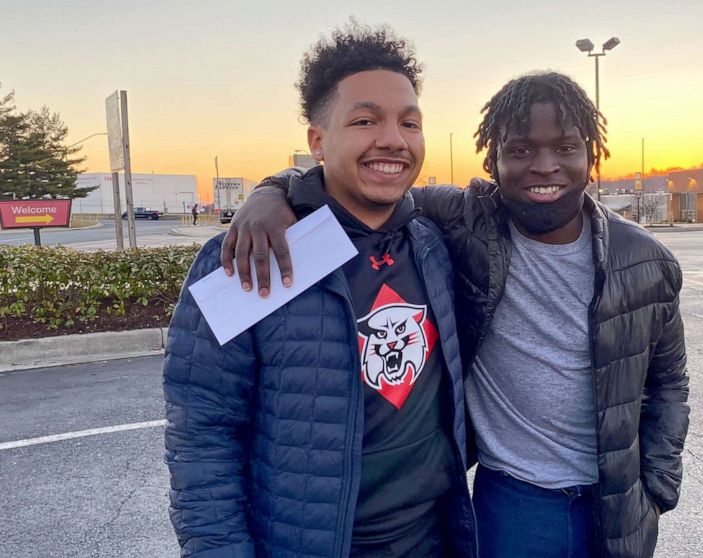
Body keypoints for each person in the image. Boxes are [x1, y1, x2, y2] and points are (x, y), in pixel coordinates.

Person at [224, 71, 691, 558]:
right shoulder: (464, 221)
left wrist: (658, 489)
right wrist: (271, 194)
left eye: (566, 148)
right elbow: (351, 186)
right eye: (521, 150)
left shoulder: (645, 260)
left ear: (591, 155)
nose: (544, 166)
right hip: (511, 502)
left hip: (615, 505)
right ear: (493, 160)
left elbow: (669, 383)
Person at [163, 23, 476, 558]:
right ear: (317, 141)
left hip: (434, 541)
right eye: (364, 120)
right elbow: (203, 439)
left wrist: (273, 185)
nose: (393, 140)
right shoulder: (252, 254)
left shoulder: (433, 242)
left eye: (409, 123)